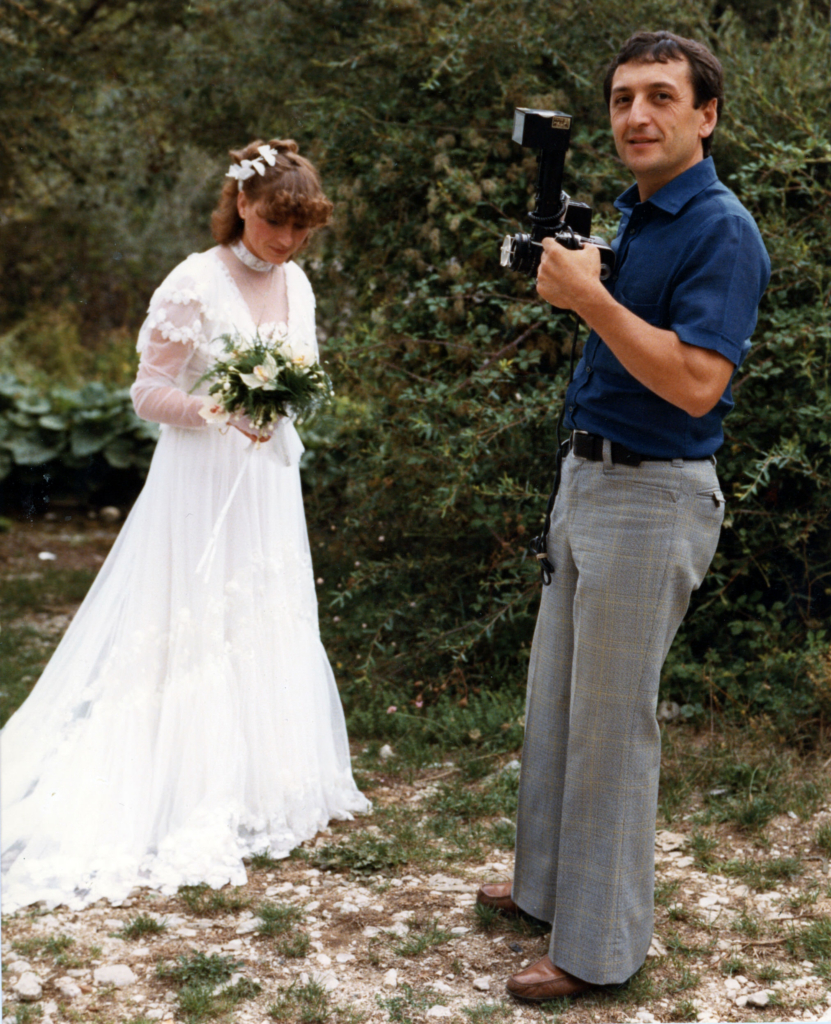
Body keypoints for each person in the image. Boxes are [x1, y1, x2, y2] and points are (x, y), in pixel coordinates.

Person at [1, 139, 369, 913]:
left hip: (265, 481)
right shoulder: (194, 282)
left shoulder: (298, 283)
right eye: (275, 221)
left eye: (301, 227)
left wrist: (278, 407)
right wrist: (219, 408)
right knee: (194, 618)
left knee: (262, 612)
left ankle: (262, 783)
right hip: (198, 480)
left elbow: (300, 374)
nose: (287, 240)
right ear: (241, 202)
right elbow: (147, 392)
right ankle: (181, 781)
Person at [477, 32, 770, 999]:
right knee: (557, 703)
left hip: (652, 496)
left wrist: (589, 300)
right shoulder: (639, 213)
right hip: (589, 478)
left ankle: (597, 951)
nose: (635, 116)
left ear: (705, 115)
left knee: (610, 726)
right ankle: (544, 890)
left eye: (659, 97)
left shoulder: (722, 229)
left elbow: (695, 384)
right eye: (621, 99)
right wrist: (594, 274)